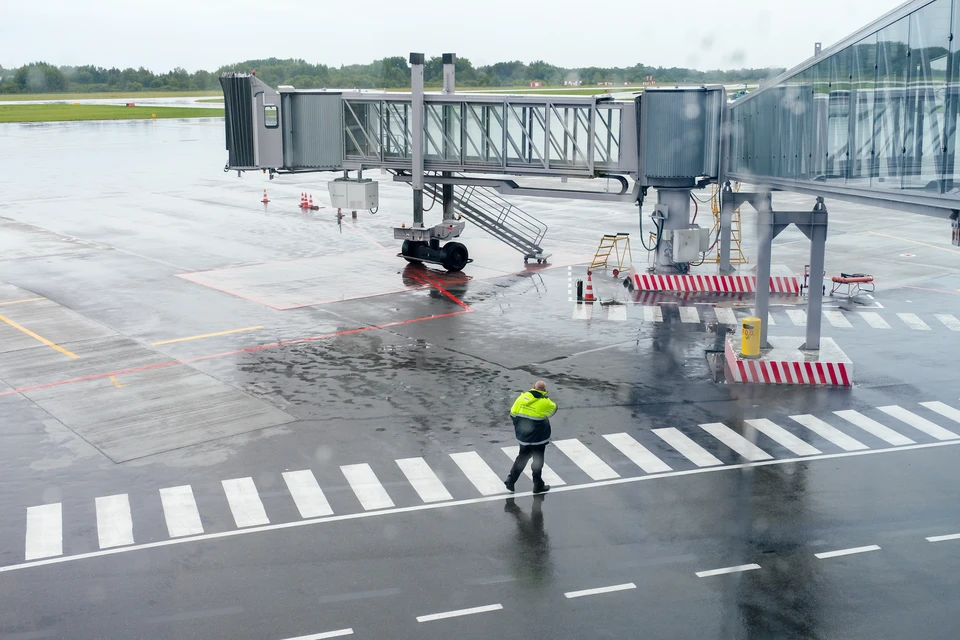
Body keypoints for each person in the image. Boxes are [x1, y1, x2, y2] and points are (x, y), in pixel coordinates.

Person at [504, 380, 557, 494]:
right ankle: (538, 485)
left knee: (522, 458)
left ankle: (510, 480)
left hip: (523, 437)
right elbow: (554, 409)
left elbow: (513, 413)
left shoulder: (522, 397)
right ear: (544, 390)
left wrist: (519, 427)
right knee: (538, 461)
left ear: (533, 387)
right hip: (538, 439)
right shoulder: (545, 402)